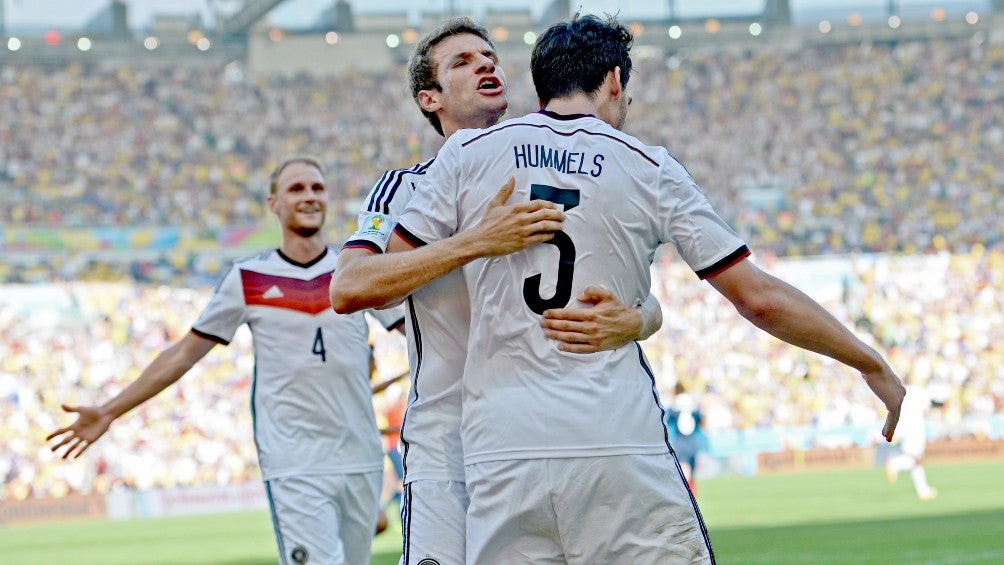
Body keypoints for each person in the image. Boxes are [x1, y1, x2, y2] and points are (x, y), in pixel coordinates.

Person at [369, 14, 906, 563]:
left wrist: (646, 314)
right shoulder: (649, 165)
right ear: (615, 82)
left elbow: (386, 272)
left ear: (537, 82)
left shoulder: (467, 156)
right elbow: (758, 297)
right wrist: (868, 361)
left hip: (499, 449)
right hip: (612, 435)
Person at [329, 17, 663, 565]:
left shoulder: (560, 175)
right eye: (461, 62)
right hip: (449, 449)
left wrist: (644, 320)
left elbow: (630, 292)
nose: (486, 64)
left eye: (489, 56)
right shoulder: (404, 189)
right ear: (429, 98)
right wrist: (474, 241)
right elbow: (349, 287)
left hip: (545, 442)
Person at [46, 156, 405, 565]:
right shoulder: (247, 278)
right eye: (296, 188)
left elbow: (417, 332)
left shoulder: (355, 271)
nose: (309, 196)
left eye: (317, 188)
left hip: (359, 456)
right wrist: (111, 410)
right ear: (274, 203)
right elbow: (184, 353)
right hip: (293, 459)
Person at [884, 382, 940, 500]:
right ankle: (895, 464)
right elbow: (926, 410)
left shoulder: (900, 389)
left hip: (902, 425)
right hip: (915, 426)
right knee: (916, 459)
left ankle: (923, 491)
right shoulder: (920, 391)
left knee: (916, 461)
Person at [665, 382, 709, 495]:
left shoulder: (675, 405)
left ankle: (687, 497)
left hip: (681, 441)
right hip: (692, 441)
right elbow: (700, 419)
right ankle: (692, 496)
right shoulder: (691, 403)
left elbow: (667, 420)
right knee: (691, 471)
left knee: (684, 471)